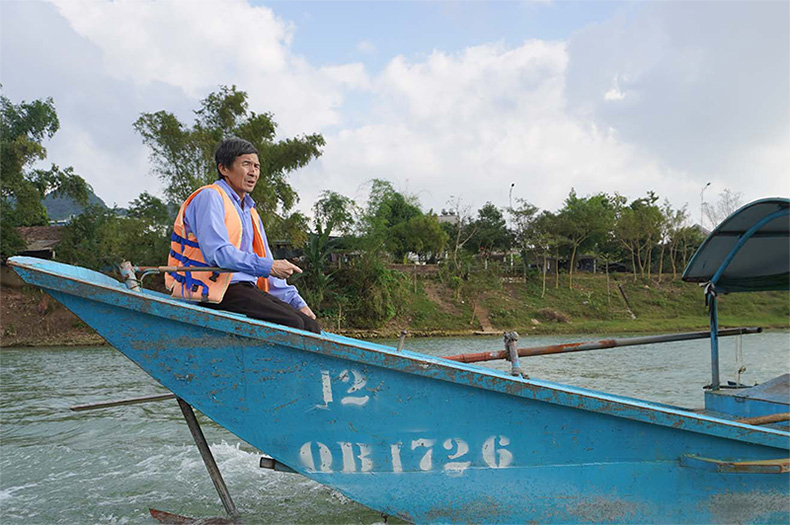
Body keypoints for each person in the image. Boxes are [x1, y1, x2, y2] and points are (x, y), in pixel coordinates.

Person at [165, 137, 320, 333]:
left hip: (242, 289)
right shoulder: (210, 196)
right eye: (246, 164)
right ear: (224, 169)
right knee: (293, 323)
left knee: (308, 324)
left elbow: (267, 262)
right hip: (212, 288)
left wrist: (298, 303)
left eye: (256, 166)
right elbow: (218, 254)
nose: (253, 171)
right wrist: (268, 267)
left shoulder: (250, 211)